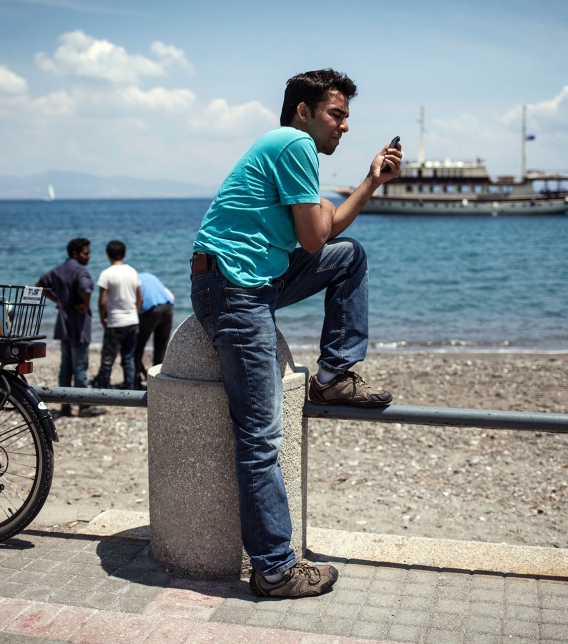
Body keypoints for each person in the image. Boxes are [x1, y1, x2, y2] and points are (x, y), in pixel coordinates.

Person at [190, 69, 401, 598]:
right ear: (303, 111)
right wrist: (323, 215)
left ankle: (333, 374)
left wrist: (370, 182)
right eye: (337, 113)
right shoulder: (293, 144)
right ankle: (275, 569)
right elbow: (313, 236)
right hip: (235, 291)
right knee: (260, 436)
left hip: (255, 280)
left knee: (349, 256)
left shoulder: (291, 151)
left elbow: (328, 236)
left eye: (348, 116)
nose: (345, 126)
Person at [36, 238, 106, 419]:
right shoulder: (81, 270)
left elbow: (40, 286)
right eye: (86, 253)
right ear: (75, 253)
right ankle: (83, 406)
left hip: (63, 323)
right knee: (80, 366)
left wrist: (58, 301)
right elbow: (86, 288)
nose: (89, 256)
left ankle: (65, 405)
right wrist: (85, 304)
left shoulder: (58, 270)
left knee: (65, 366)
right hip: (78, 324)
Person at [93, 240, 142, 390]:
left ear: (108, 255)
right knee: (128, 358)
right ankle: (129, 388)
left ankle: (104, 389)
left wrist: (102, 319)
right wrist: (136, 314)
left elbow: (102, 302)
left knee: (108, 360)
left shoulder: (106, 274)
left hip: (115, 321)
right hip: (132, 320)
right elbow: (140, 298)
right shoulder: (132, 271)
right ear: (124, 253)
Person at [133, 272, 175, 389]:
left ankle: (135, 380)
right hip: (168, 308)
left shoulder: (134, 280)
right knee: (161, 347)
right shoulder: (150, 276)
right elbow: (172, 297)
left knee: (138, 346)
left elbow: (137, 300)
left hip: (150, 311)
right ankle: (157, 382)